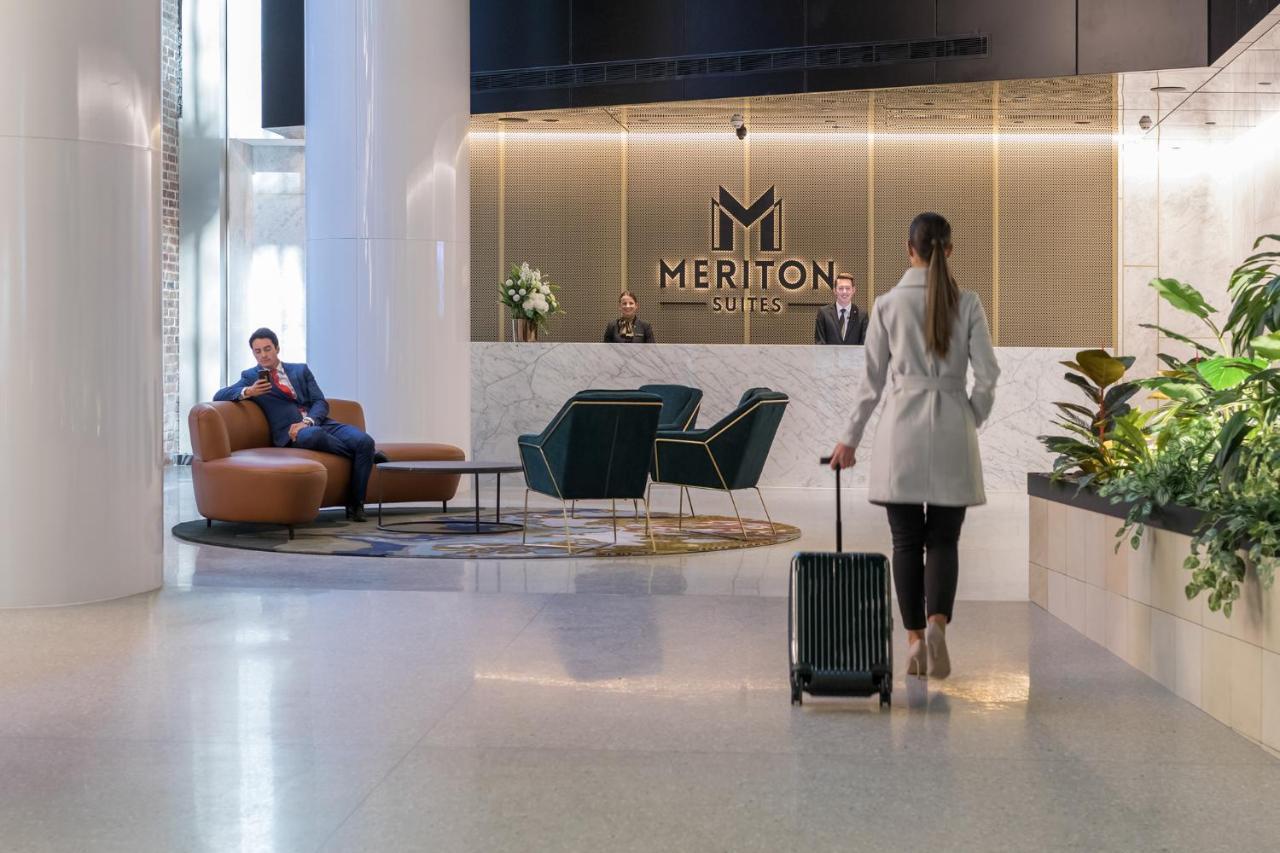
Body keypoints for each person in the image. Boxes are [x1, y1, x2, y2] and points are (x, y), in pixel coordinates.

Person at [828, 212, 1000, 680]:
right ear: (950, 250)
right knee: (944, 539)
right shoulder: (967, 304)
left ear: (910, 250)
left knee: (905, 542)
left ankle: (914, 642)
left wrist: (849, 439)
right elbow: (988, 376)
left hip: (899, 431)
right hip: (951, 430)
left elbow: (870, 384)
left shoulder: (886, 304)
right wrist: (970, 417)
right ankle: (938, 624)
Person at [214, 327, 385, 522]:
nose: (263, 355)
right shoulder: (251, 377)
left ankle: (356, 503)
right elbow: (219, 395)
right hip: (291, 433)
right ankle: (368, 458)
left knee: (365, 441)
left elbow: (320, 402)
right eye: (258, 351)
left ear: (277, 348)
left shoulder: (300, 370)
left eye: (267, 349)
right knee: (314, 436)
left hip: (317, 422)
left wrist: (308, 421)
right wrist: (249, 392)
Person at [814, 272, 869, 345]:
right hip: (829, 356)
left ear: (853, 290)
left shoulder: (862, 315)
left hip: (854, 357)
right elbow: (820, 343)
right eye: (840, 288)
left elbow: (865, 345)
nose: (844, 292)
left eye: (848, 288)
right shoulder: (823, 313)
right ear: (834, 290)